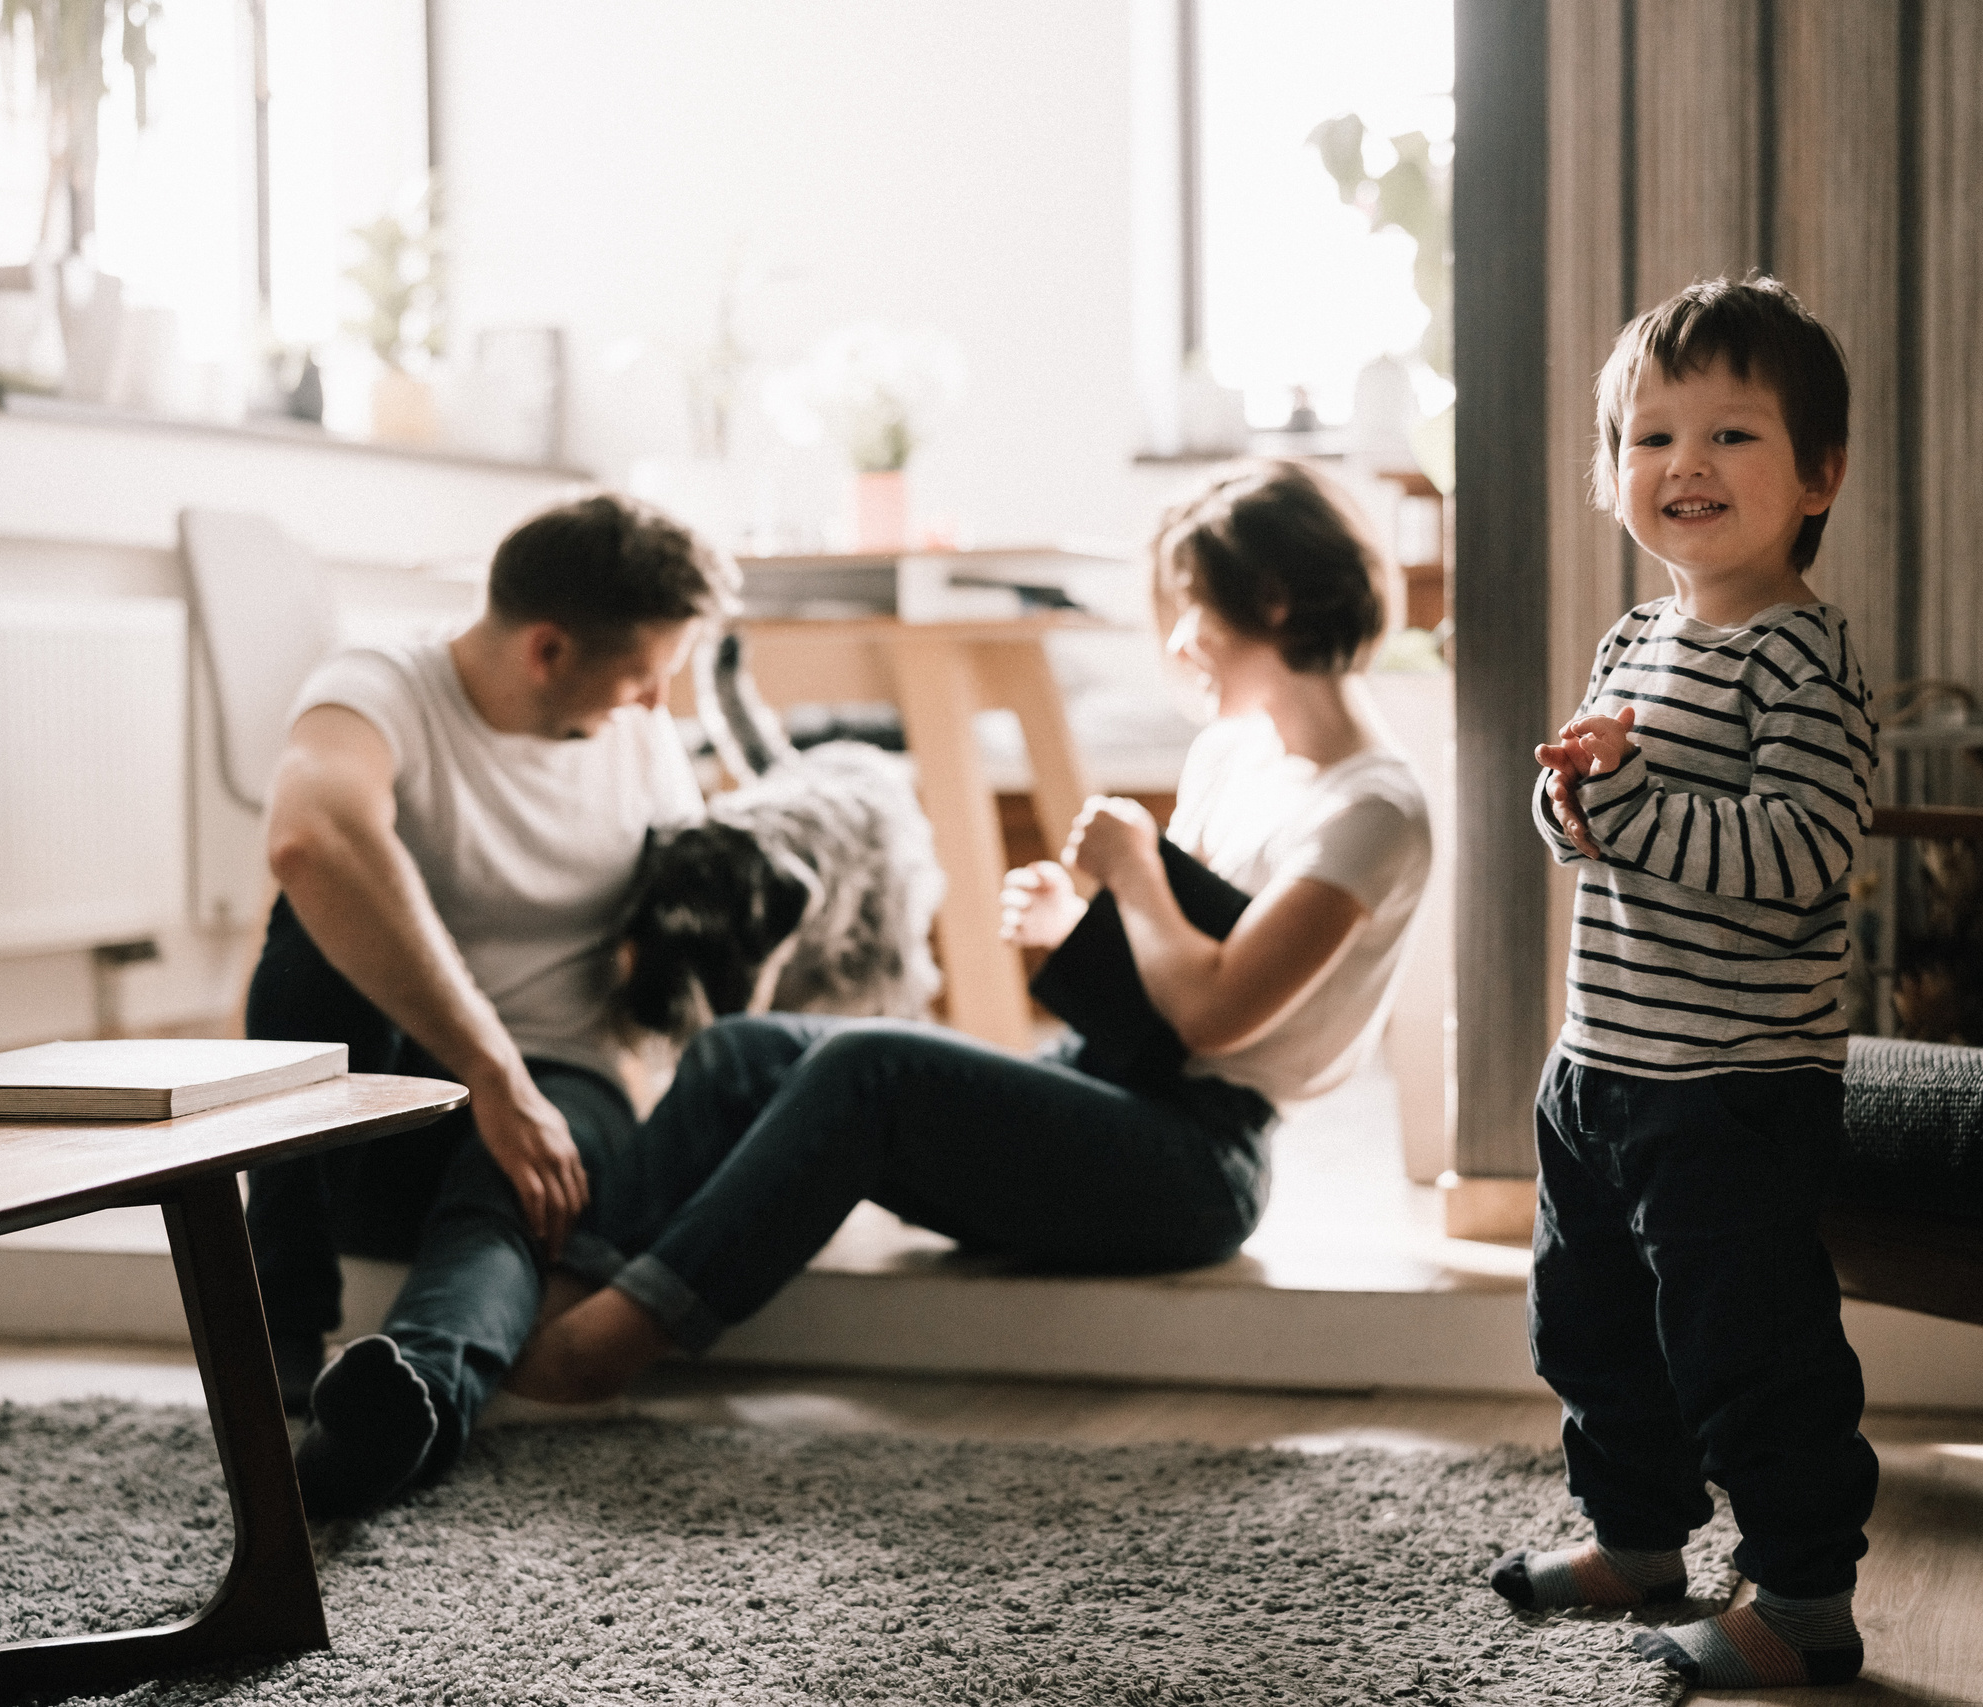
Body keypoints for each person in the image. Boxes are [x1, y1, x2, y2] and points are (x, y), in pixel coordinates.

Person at [300, 457, 1432, 1512]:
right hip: (1114, 1078)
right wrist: (1080, 924)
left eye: (1190, 606)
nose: (1179, 640)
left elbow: (1219, 1009)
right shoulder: (1235, 754)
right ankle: (573, 1282)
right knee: (743, 1050)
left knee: (868, 1064)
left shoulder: (1370, 807)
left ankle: (606, 1346)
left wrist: (1132, 873)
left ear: (1270, 603)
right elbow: (1167, 978)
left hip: (1200, 1161)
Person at [1489, 275, 1879, 1691]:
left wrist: (1633, 796)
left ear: (1819, 472)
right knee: (1591, 1325)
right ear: (1610, 477)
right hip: (1601, 1067)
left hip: (1733, 1084)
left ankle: (1802, 1591)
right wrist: (1570, 801)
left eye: (1731, 435)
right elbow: (1596, 829)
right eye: (1650, 439)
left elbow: (1801, 853)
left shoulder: (1800, 658)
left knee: (1747, 1343)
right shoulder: (1631, 642)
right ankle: (1638, 1536)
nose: (1686, 467)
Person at [243, 493, 733, 1514]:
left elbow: (692, 948)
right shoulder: (381, 684)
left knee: (509, 1200)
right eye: (644, 676)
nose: (654, 706)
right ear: (548, 649)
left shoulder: (639, 745)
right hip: (387, 1106)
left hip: (563, 1096)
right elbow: (309, 835)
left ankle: (404, 1407)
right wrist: (490, 1075)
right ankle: (280, 1317)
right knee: (309, 933)